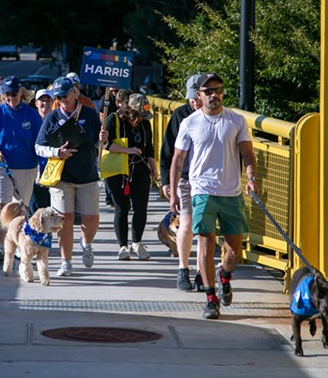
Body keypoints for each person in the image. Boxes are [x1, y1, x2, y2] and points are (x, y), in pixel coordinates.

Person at [169, 73, 259, 320]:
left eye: (217, 90)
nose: (213, 95)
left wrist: (251, 178)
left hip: (231, 192)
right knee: (206, 245)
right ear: (198, 95)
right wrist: (173, 192)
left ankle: (225, 276)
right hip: (202, 191)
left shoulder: (236, 120)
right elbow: (178, 160)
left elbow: (248, 154)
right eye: (207, 91)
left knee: (233, 253)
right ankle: (210, 298)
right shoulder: (189, 122)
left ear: (223, 93)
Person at [35, 76, 105, 277]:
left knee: (91, 220)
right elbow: (38, 147)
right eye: (58, 97)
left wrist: (103, 140)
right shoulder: (52, 117)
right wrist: (58, 152)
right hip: (61, 177)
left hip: (88, 175)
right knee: (64, 220)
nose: (62, 100)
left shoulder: (91, 114)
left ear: (75, 92)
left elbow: (102, 146)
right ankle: (66, 262)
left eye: (65, 95)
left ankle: (86, 243)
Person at [0, 75, 43, 263]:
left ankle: (18, 246)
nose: (11, 97)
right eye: (7, 94)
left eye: (14, 94)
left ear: (21, 93)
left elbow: (40, 141)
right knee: (0, 204)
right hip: (1, 166)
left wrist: (42, 167)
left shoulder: (31, 115)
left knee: (20, 208)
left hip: (26, 168)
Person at [160, 75, 205, 291]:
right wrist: (167, 182)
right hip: (186, 178)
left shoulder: (217, 116)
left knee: (204, 228)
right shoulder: (181, 115)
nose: (193, 103)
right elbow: (169, 152)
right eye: (190, 99)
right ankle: (183, 269)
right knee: (186, 223)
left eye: (196, 98)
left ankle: (201, 272)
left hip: (208, 181)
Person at [104, 93, 157, 261]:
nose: (141, 119)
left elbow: (148, 147)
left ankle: (137, 243)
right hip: (118, 170)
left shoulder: (145, 124)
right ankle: (123, 246)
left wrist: (153, 167)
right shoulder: (114, 119)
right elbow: (107, 144)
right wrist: (128, 150)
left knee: (141, 207)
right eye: (138, 115)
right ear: (130, 111)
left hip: (140, 170)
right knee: (122, 208)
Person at [29, 87, 54, 214]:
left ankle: (49, 234)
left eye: (48, 100)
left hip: (54, 170)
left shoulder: (57, 120)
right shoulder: (31, 121)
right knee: (36, 208)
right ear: (36, 103)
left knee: (52, 209)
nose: (45, 103)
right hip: (35, 170)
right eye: (41, 101)